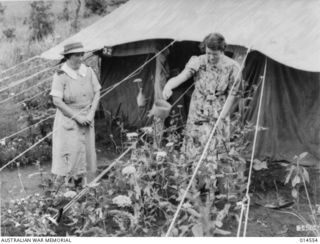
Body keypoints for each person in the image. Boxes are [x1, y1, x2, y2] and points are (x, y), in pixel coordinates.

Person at [162, 33, 241, 193]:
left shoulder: (233, 67)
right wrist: (169, 85)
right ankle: (193, 185)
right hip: (198, 110)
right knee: (194, 145)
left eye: (215, 54)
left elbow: (232, 95)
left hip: (219, 110)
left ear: (222, 50)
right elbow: (182, 76)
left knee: (216, 147)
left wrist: (222, 117)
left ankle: (215, 187)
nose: (211, 57)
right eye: (208, 52)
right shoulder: (197, 61)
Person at [50, 42, 101, 188]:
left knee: (87, 154)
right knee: (71, 156)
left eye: (81, 55)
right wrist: (77, 118)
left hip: (87, 118)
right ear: (68, 57)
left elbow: (97, 92)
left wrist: (91, 114)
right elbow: (57, 101)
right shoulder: (61, 75)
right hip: (69, 121)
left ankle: (86, 189)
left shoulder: (88, 71)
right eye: (76, 55)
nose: (80, 58)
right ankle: (69, 190)